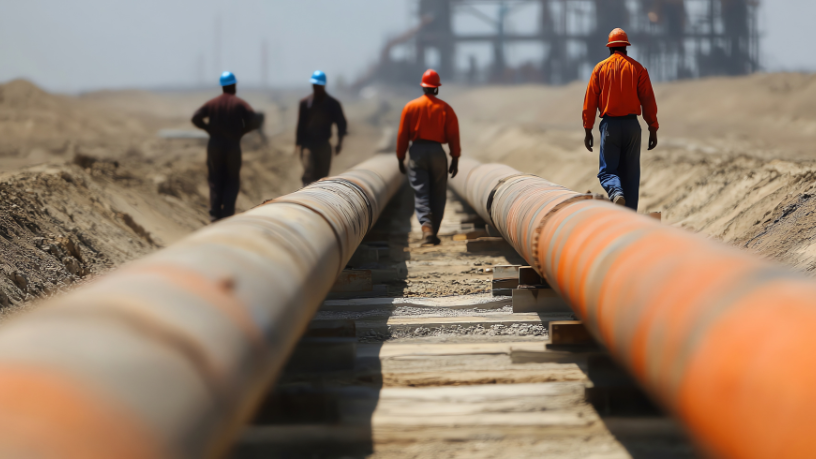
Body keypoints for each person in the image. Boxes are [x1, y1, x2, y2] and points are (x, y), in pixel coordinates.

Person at [583, 28, 659, 211]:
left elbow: (590, 102)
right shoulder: (638, 69)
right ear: (626, 48)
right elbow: (648, 100)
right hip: (633, 127)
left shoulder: (600, 69)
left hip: (611, 126)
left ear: (610, 48)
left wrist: (588, 129)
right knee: (631, 175)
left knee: (607, 171)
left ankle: (616, 193)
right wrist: (652, 128)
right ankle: (630, 214)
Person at [396, 69, 460, 246]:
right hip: (438, 152)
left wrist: (400, 157)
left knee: (421, 192)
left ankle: (427, 228)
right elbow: (454, 134)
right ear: (437, 89)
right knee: (438, 193)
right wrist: (455, 157)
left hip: (417, 151)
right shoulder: (445, 109)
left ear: (423, 88)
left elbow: (402, 135)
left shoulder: (411, 107)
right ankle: (434, 231)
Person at [191, 71, 257, 222]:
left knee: (215, 180)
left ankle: (215, 214)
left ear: (222, 87)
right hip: (233, 146)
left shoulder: (212, 103)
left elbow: (195, 118)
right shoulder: (240, 103)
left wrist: (208, 129)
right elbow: (255, 121)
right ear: (234, 85)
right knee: (232, 179)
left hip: (214, 146)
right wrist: (241, 132)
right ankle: (227, 215)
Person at [295, 70, 348, 186]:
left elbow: (341, 124)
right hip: (308, 145)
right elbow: (300, 125)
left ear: (323, 85)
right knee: (308, 172)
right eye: (314, 85)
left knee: (322, 178)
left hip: (323, 145)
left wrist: (339, 143)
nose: (316, 87)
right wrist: (298, 144)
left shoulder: (332, 104)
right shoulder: (305, 104)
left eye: (318, 85)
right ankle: (306, 196)